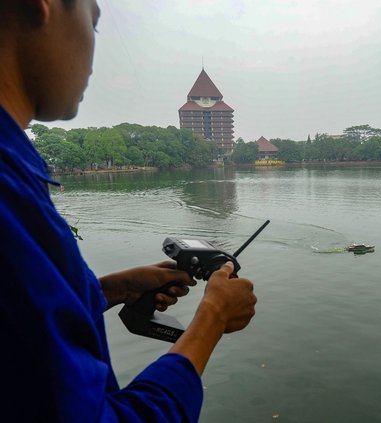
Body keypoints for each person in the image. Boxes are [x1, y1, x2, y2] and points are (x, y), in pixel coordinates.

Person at [0, 0, 257, 421]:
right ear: (43, 6)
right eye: (94, 23)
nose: (93, 58)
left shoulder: (18, 171)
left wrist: (107, 290)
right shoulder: (8, 192)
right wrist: (212, 318)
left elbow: (19, 337)